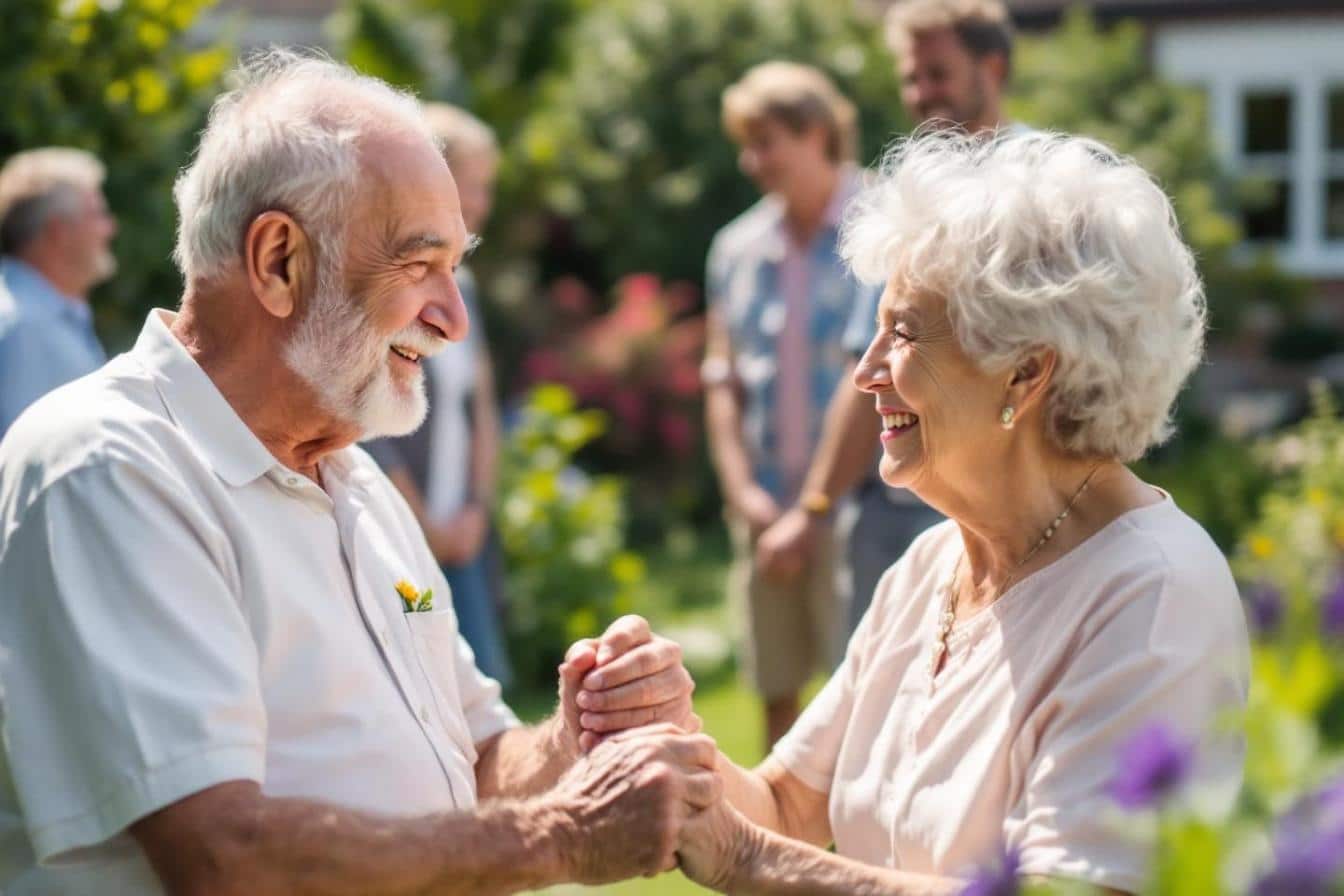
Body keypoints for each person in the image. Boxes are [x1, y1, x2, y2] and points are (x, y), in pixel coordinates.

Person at [0, 50, 707, 895]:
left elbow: (479, 762)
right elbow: (223, 854)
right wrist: (563, 836)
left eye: (458, 267)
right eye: (420, 265)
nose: (450, 318)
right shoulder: (108, 464)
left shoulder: (354, 477)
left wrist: (583, 731)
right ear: (277, 261)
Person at [674, 130, 1251, 893]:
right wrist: (665, 742)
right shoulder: (933, 564)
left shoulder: (1152, 597)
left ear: (1025, 373)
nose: (866, 374)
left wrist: (750, 864)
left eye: (903, 333)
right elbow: (785, 804)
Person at [756, 0, 1020, 637]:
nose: (922, 92)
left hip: (1006, 509)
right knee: (877, 715)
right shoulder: (903, 195)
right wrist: (817, 507)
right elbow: (866, 367)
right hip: (897, 514)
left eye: (938, 72)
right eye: (911, 76)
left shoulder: (1038, 186)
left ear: (993, 67)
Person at [701, 61, 882, 749]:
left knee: (863, 691)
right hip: (766, 508)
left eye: (765, 141)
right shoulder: (737, 249)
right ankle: (780, 843)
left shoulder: (883, 228)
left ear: (814, 134)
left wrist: (816, 507)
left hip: (859, 506)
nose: (752, 161)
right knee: (777, 687)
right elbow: (721, 380)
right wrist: (742, 491)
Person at [366, 103, 511, 687]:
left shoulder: (463, 287)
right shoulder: (392, 285)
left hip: (463, 536)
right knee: (421, 686)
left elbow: (481, 407)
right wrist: (420, 523)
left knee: (482, 688)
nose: (482, 203)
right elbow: (372, 418)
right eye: (473, 184)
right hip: (404, 540)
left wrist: (476, 507)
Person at [0, 147, 116, 437]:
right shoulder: (21, 326)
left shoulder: (42, 318)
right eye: (97, 214)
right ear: (58, 231)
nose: (109, 228)